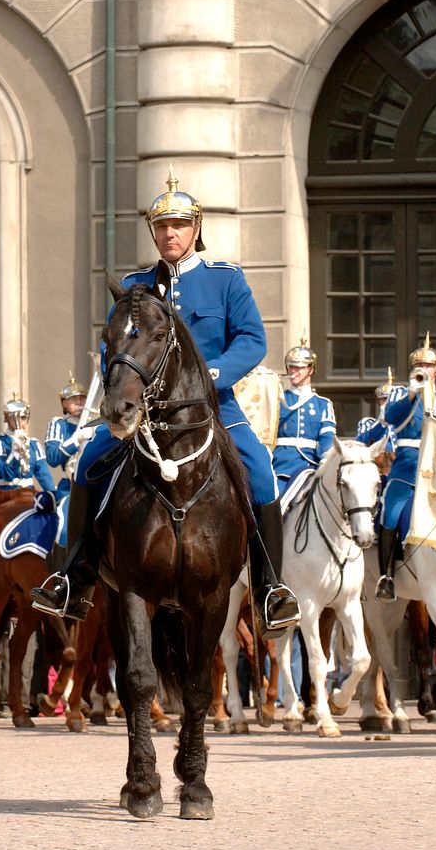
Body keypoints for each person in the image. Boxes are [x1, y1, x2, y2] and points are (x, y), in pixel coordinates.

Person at [31, 168, 301, 638]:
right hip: (145, 413)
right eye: (161, 226)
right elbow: (112, 347)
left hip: (214, 407)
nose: (169, 234)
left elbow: (253, 340)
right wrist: (121, 388)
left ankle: (269, 589)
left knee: (259, 471)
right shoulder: (136, 287)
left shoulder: (225, 280)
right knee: (88, 464)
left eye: (177, 225)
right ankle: (74, 578)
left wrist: (213, 373)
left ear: (196, 229)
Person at [375, 334, 436, 602]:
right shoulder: (401, 395)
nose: (424, 369)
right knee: (390, 513)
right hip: (406, 472)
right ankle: (386, 576)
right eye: (418, 366)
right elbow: (389, 418)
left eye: (429, 366)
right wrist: (413, 391)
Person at [272, 337, 336, 512]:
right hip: (281, 466)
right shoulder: (278, 399)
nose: (294, 371)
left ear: (311, 369)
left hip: (310, 466)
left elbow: (327, 438)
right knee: (271, 507)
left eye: (299, 367)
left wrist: (325, 464)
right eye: (291, 366)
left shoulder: (323, 404)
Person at [45, 375, 94, 547]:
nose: (80, 401)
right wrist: (75, 440)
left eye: (82, 398)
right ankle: (62, 570)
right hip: (71, 487)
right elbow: (52, 458)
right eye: (74, 399)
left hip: (96, 483)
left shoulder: (95, 423)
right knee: (65, 528)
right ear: (64, 404)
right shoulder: (59, 425)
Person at [0, 392, 56, 493]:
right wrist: (15, 453)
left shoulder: (34, 444)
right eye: (14, 417)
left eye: (23, 418)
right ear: (7, 418)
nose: (19, 421)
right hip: (5, 494)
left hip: (28, 493)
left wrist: (54, 494)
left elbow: (43, 475)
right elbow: (5, 474)